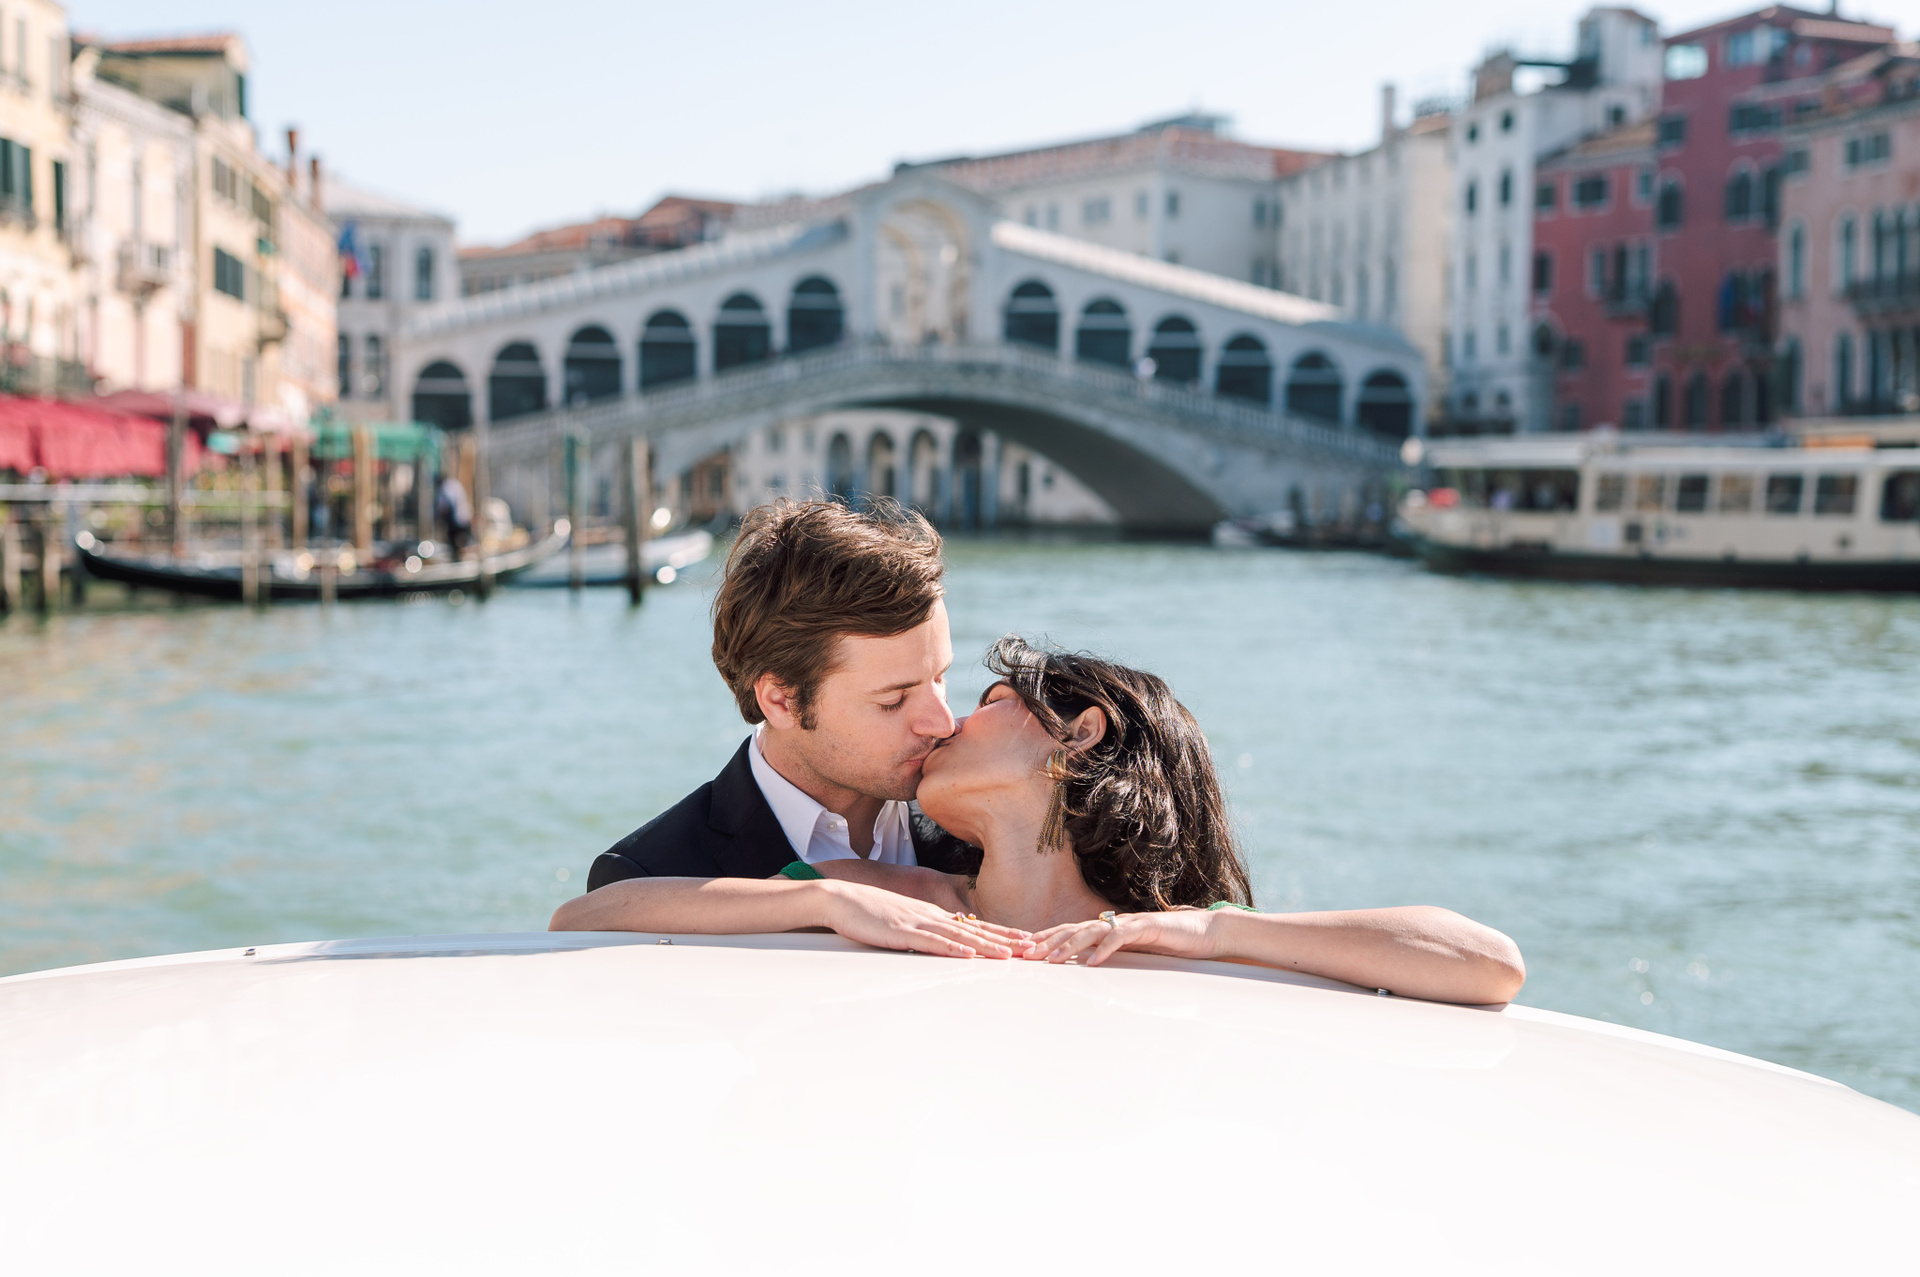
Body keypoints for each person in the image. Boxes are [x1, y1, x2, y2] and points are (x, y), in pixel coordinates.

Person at [554, 635, 1528, 1007]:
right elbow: (587, 916)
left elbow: (1488, 964)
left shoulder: (1186, 931)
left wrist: (1214, 930)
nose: (943, 722)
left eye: (987, 700)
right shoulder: (880, 891)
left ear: (1078, 733)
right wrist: (818, 904)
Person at [579, 498, 982, 900]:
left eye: (939, 677)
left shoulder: (983, 826)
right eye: (893, 699)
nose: (943, 723)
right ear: (781, 702)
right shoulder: (645, 876)